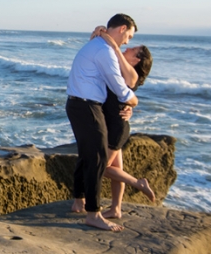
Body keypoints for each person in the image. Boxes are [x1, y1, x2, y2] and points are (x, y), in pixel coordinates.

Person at [65, 13, 139, 231]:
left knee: (88, 155)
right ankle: (94, 214)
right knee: (97, 159)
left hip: (79, 104)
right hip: (87, 106)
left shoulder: (97, 45)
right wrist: (133, 100)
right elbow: (118, 86)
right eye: (129, 36)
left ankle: (79, 201)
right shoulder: (104, 50)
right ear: (122, 28)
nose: (128, 41)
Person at [74, 26, 155, 219]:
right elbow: (97, 58)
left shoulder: (129, 74)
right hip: (114, 124)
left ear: (136, 60)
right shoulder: (116, 67)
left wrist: (108, 38)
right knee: (114, 168)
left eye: (132, 50)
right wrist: (97, 36)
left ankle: (137, 183)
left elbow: (128, 92)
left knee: (100, 167)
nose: (126, 48)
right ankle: (116, 208)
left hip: (116, 128)